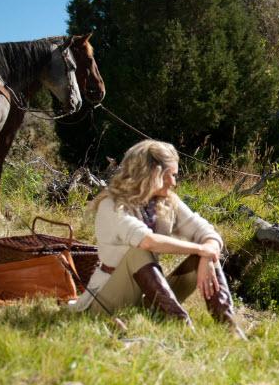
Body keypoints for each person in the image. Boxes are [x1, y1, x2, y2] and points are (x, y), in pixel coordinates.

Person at [72, 139, 243, 335]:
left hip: (150, 294)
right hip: (108, 299)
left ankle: (230, 328)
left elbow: (206, 232)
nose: (174, 182)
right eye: (171, 175)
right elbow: (147, 241)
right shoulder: (112, 205)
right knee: (139, 251)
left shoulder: (166, 201)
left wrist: (206, 254)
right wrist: (200, 249)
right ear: (153, 173)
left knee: (204, 256)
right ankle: (182, 325)